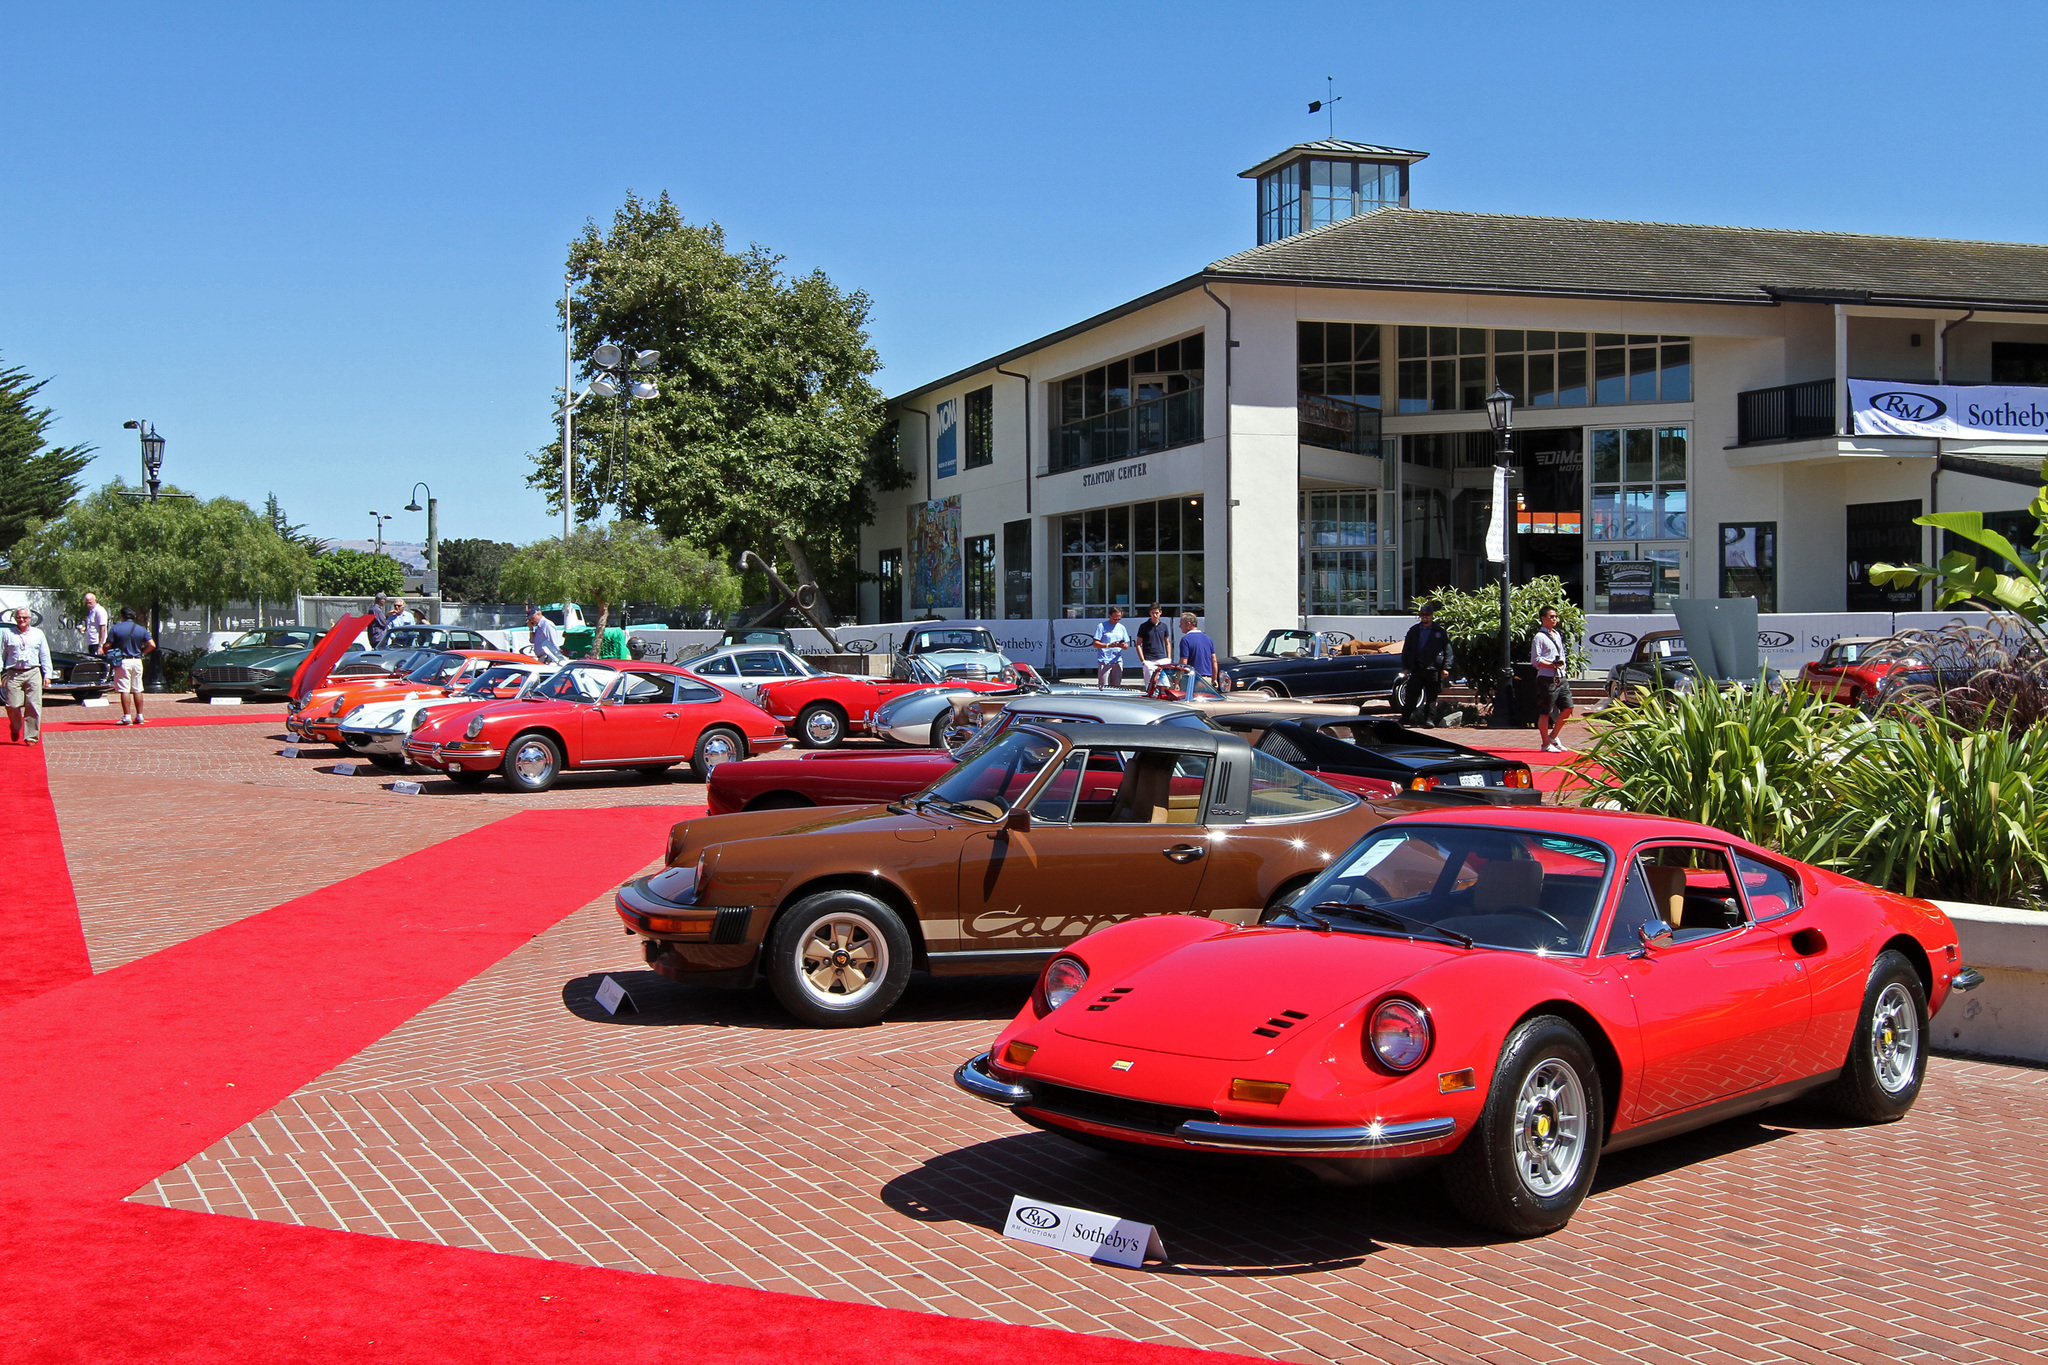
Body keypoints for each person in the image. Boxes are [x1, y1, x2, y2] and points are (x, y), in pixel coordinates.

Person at [2, 606, 55, 746]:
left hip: (33, 671)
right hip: (14, 672)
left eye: (25, 617)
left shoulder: (38, 633)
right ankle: (15, 726)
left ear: (30, 619)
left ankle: (31, 736)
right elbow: (1, 655)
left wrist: (47, 674)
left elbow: (44, 654)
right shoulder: (8, 634)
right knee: (12, 705)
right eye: (19, 617)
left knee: (33, 704)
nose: (22, 620)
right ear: (15, 618)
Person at [1399, 601, 1453, 727]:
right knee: (1411, 696)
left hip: (1433, 669)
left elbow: (1448, 650)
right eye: (1422, 615)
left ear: (1432, 616)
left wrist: (1446, 667)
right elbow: (1406, 650)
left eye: (1427, 615)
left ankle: (1429, 720)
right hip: (1417, 668)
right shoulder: (1414, 631)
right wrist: (1406, 667)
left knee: (1431, 697)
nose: (1424, 617)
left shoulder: (1439, 631)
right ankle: (1405, 718)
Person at [1532, 605, 1574, 752]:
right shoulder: (1539, 637)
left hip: (1561, 677)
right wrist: (1552, 665)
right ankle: (1545, 744)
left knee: (1568, 707)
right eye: (1551, 617)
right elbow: (1535, 659)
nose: (1554, 619)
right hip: (1546, 678)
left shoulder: (1557, 634)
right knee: (1545, 712)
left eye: (1555, 616)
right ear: (1543, 619)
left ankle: (1553, 736)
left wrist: (1561, 667)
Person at [106, 607, 156, 726]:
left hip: (123, 661)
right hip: (137, 660)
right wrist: (142, 652)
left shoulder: (116, 629)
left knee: (124, 689)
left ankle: (127, 716)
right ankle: (140, 716)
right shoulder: (141, 629)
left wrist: (111, 654)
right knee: (137, 688)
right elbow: (152, 645)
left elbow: (107, 646)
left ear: (122, 616)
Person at [1134, 603, 1173, 691]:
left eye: (1156, 613)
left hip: (1162, 659)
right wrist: (1143, 661)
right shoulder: (1144, 626)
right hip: (1149, 660)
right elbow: (1138, 644)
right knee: (1151, 686)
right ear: (1150, 613)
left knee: (1165, 684)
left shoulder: (1164, 626)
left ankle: (1162, 701)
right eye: (1152, 613)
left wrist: (1169, 658)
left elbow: (1167, 642)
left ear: (1160, 613)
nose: (1155, 615)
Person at [1176, 612, 1220, 690]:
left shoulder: (1185, 640)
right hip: (1208, 680)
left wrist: (1178, 680)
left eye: (1181, 624)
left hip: (1192, 680)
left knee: (1189, 702)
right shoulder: (1208, 639)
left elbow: (1184, 662)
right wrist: (1214, 679)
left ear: (1188, 624)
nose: (1179, 626)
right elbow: (1214, 661)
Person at [1092, 606, 1132, 688]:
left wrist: (1124, 645)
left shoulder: (1121, 628)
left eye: (1119, 619)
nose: (1116, 621)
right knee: (1103, 686)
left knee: (1116, 686)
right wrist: (1108, 645)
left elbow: (1127, 645)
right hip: (1104, 660)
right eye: (1115, 618)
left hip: (1117, 660)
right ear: (1109, 615)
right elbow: (1095, 643)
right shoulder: (1101, 626)